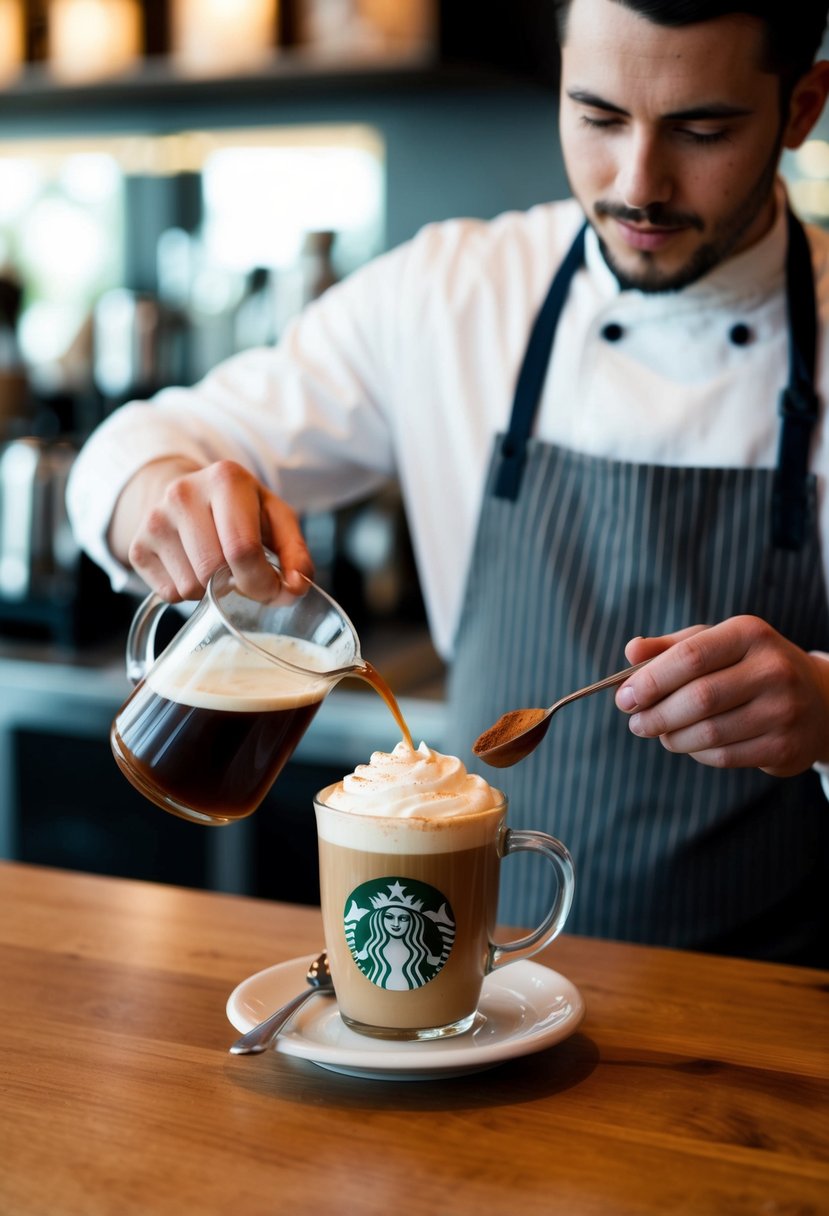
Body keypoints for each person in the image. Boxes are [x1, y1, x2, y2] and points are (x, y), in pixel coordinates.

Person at [68, 0, 829, 966]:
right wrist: (156, 490)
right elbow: (137, 442)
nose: (638, 184)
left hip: (752, 1015)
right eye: (595, 116)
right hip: (466, 984)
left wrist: (822, 705)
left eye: (702, 129)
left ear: (800, 107)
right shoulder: (453, 292)